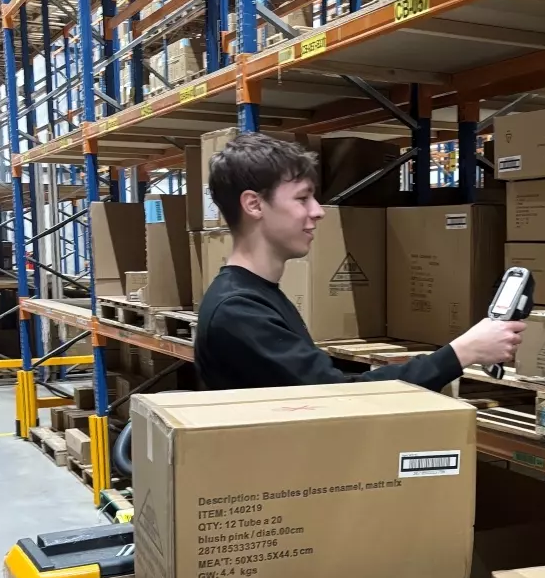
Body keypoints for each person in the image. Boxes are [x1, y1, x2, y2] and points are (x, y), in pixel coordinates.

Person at [194, 132, 524, 391]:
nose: (318, 211)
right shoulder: (238, 311)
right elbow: (339, 397)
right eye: (302, 198)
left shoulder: (257, 295)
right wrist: (463, 352)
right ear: (254, 205)